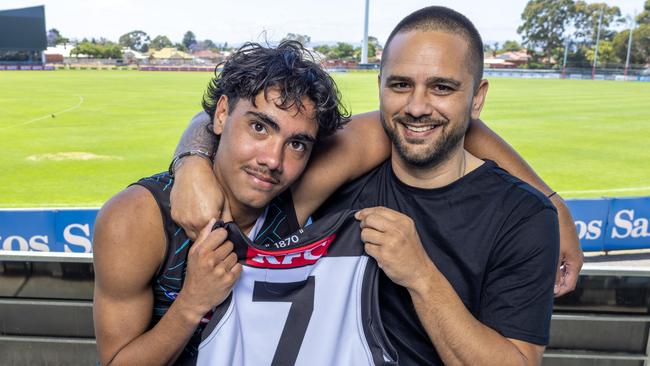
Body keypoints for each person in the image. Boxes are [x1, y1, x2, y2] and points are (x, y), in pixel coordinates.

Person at [169, 6, 581, 365]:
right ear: (380, 87)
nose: (417, 106)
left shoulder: (523, 216)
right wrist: (190, 160)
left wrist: (421, 276)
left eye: (443, 87)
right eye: (400, 85)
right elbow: (241, 116)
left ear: (477, 98)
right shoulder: (342, 171)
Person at [92, 41, 350, 365]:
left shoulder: (295, 196)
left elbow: (392, 125)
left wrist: (191, 156)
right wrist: (191, 303)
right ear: (222, 113)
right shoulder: (136, 218)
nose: (272, 160)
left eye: (296, 144)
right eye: (259, 127)